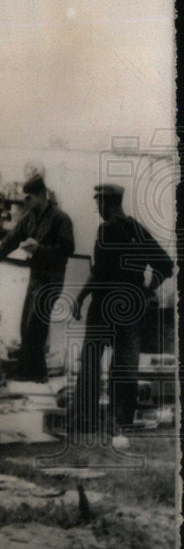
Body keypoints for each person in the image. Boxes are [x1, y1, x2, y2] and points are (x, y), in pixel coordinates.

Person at [70, 183, 174, 443]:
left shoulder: (106, 229)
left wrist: (80, 297)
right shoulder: (137, 229)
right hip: (133, 305)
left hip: (105, 304)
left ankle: (86, 423)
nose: (98, 208)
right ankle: (121, 421)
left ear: (108, 203)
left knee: (92, 361)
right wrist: (148, 289)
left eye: (99, 203)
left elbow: (100, 271)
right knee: (126, 366)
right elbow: (165, 264)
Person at [0, 174, 75, 382]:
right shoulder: (29, 218)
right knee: (26, 328)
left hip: (52, 278)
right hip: (36, 276)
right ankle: (30, 375)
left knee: (36, 326)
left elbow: (68, 250)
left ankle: (34, 376)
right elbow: (8, 243)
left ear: (42, 195)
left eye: (30, 198)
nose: (26, 202)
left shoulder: (61, 218)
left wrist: (39, 249)